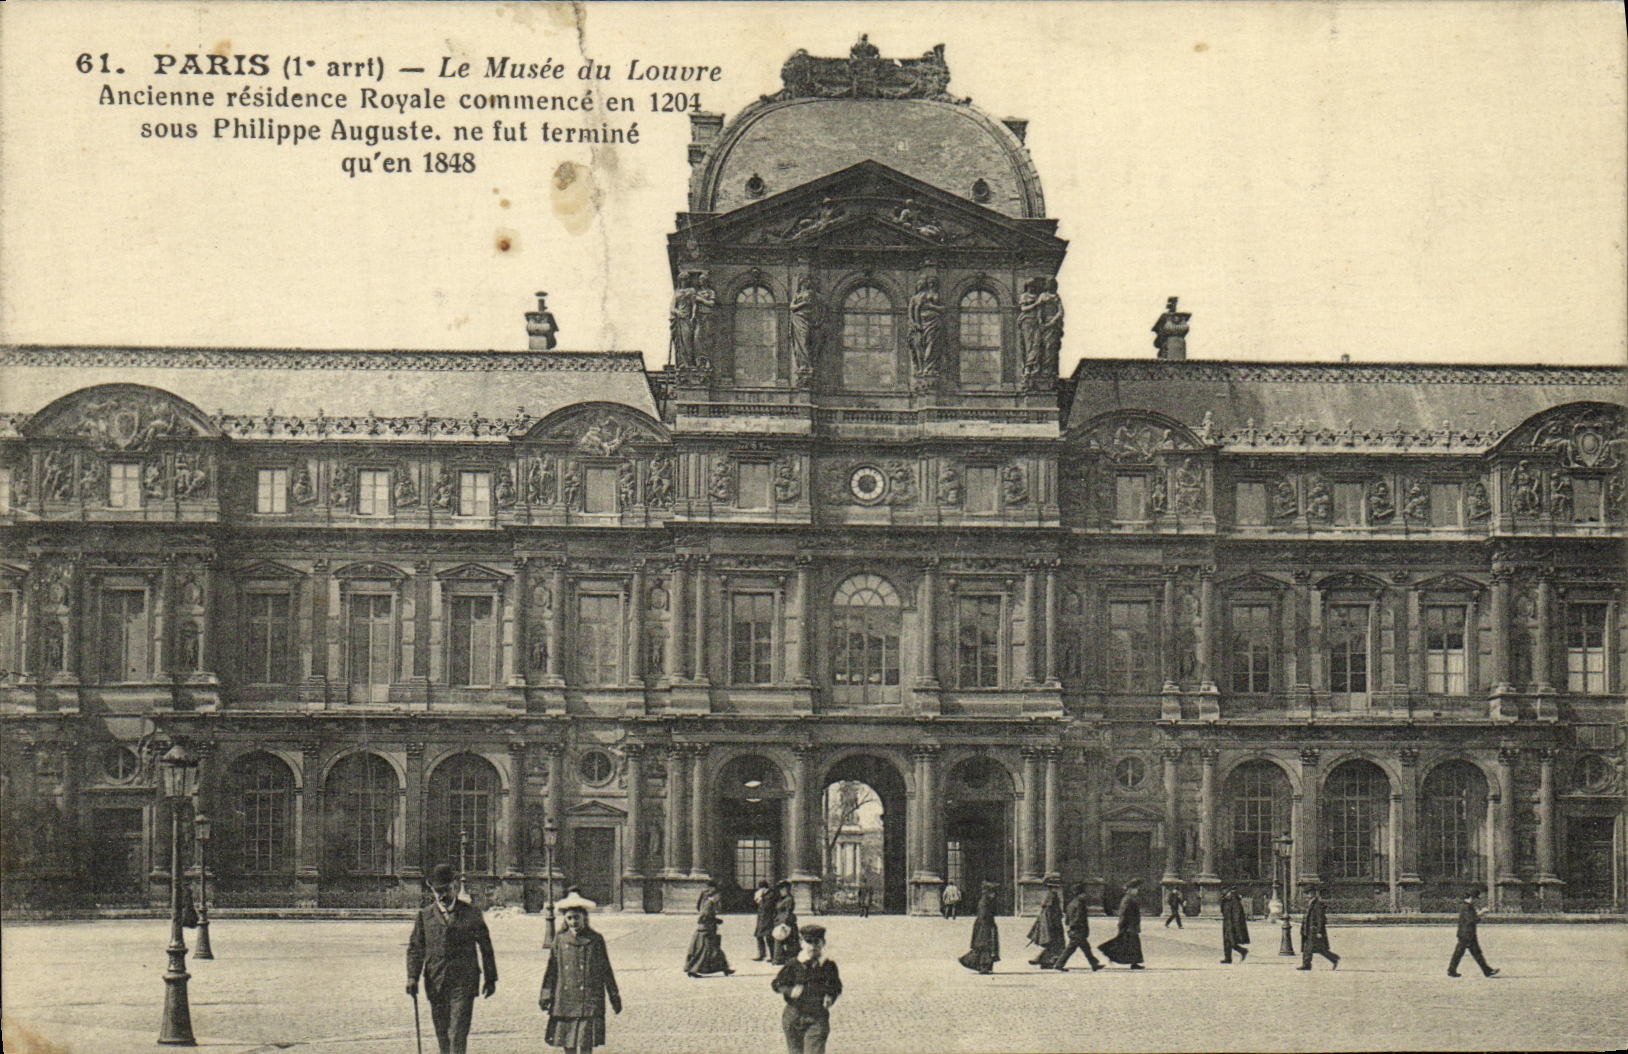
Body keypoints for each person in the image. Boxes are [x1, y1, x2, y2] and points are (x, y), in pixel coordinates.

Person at [406, 863, 498, 1054]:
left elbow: (486, 947)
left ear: (454, 886)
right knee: (442, 1034)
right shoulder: (424, 916)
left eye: (445, 890)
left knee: (457, 1034)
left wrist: (490, 979)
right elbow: (416, 949)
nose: (441, 895)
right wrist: (412, 977)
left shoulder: (471, 913)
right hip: (436, 981)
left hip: (464, 982)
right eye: (437, 891)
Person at [539, 891, 622, 1054]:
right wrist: (546, 994)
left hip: (589, 999)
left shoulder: (596, 939)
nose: (573, 922)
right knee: (568, 1042)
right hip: (565, 1000)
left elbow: (606, 969)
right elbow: (551, 970)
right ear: (565, 919)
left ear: (584, 917)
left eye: (576, 917)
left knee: (586, 1042)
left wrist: (614, 996)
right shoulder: (560, 940)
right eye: (569, 918)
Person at [772, 923, 842, 1054]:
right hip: (793, 1016)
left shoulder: (828, 966)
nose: (813, 946)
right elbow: (776, 984)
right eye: (808, 942)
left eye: (817, 942)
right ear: (801, 943)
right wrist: (790, 990)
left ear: (823, 943)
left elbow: (836, 986)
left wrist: (830, 996)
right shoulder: (793, 964)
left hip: (817, 1017)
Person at [1448, 887, 1499, 978]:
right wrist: (1481, 913)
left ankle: (1452, 970)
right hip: (1467, 934)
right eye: (1475, 898)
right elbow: (1471, 920)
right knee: (1474, 953)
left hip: (1465, 933)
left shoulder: (1465, 906)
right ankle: (1487, 971)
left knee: (1461, 953)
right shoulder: (1466, 907)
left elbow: (1471, 918)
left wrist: (1479, 915)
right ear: (1472, 897)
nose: (1476, 901)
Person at [684, 887, 736, 977]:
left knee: (715, 951)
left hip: (707, 930)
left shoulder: (707, 903)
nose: (719, 898)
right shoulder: (709, 904)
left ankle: (725, 969)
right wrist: (716, 920)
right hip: (706, 931)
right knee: (705, 951)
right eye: (718, 896)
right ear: (713, 895)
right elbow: (704, 917)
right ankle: (693, 970)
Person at [1053, 882, 1104, 972]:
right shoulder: (1080, 903)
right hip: (1078, 930)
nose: (1085, 895)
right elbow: (1079, 917)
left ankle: (1094, 964)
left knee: (1085, 948)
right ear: (1080, 894)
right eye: (1084, 893)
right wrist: (1077, 928)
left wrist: (1069, 926)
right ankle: (1059, 964)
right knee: (1072, 948)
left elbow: (1067, 918)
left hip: (1074, 930)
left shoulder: (1071, 903)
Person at [1098, 879, 1146, 969]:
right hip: (1128, 927)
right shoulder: (1127, 899)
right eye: (1135, 889)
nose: (1137, 891)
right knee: (1128, 944)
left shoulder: (1130, 899)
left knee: (1131, 945)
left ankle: (1134, 962)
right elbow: (1123, 913)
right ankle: (1108, 952)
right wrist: (1121, 924)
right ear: (1130, 890)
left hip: (1132, 926)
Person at [957, 881, 1001, 974]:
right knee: (984, 946)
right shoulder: (984, 902)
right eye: (993, 892)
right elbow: (983, 916)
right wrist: (988, 927)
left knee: (986, 947)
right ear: (988, 892)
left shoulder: (987, 901)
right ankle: (982, 966)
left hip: (986, 925)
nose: (995, 895)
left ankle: (985, 966)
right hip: (984, 926)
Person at [1297, 885, 1340, 970]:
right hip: (1308, 929)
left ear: (1312, 893)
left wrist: (1319, 931)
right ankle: (1307, 964)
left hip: (1314, 930)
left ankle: (1334, 958)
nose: (1306, 896)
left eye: (1307, 894)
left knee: (1317, 948)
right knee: (1308, 948)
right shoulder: (1310, 903)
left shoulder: (1317, 904)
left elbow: (1320, 918)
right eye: (1306, 894)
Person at [1027, 880, 1067, 969]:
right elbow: (1051, 913)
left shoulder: (1050, 896)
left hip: (1052, 923)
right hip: (1053, 924)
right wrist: (1054, 923)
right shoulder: (1052, 896)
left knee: (1054, 944)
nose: (1057, 889)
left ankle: (1044, 960)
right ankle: (1043, 960)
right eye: (1055, 887)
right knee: (1055, 943)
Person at [772, 880, 802, 965]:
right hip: (779, 921)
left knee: (789, 941)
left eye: (783, 889)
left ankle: (781, 959)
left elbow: (788, 912)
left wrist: (784, 923)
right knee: (781, 940)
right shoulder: (782, 899)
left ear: (787, 889)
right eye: (780, 889)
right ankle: (780, 958)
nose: (781, 891)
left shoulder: (788, 899)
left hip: (785, 922)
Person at [1220, 885, 1250, 964]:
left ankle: (1243, 951)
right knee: (1226, 941)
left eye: (1223, 890)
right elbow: (1222, 910)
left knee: (1231, 941)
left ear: (1228, 891)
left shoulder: (1234, 900)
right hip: (1227, 922)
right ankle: (1228, 958)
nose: (1222, 892)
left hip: (1232, 923)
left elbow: (1237, 914)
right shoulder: (1225, 900)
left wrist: (1236, 925)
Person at [753, 880, 778, 961]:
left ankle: (772, 955)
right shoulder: (763, 894)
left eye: (761, 888)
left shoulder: (771, 894)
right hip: (761, 918)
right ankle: (761, 954)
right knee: (759, 936)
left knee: (769, 937)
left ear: (764, 888)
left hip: (768, 919)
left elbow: (767, 906)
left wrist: (761, 898)